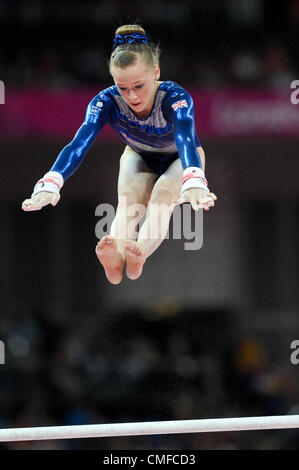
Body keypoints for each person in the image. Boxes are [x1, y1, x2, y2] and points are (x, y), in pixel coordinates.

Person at [22, 24, 217, 285]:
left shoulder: (174, 96)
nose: (131, 96)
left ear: (156, 72)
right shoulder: (105, 102)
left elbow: (184, 137)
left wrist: (193, 179)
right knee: (128, 201)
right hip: (139, 154)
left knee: (162, 197)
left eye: (138, 85)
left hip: (182, 157)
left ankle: (139, 255)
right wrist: (52, 180)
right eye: (123, 88)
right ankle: (116, 256)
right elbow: (79, 143)